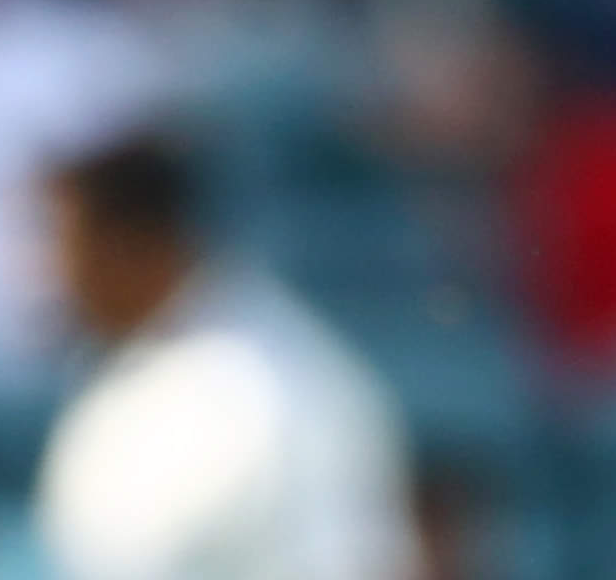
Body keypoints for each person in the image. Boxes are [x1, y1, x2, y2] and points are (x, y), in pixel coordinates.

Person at [35, 133, 417, 580]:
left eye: (60, 243)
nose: (46, 274)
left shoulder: (283, 388)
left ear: (125, 242)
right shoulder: (121, 365)